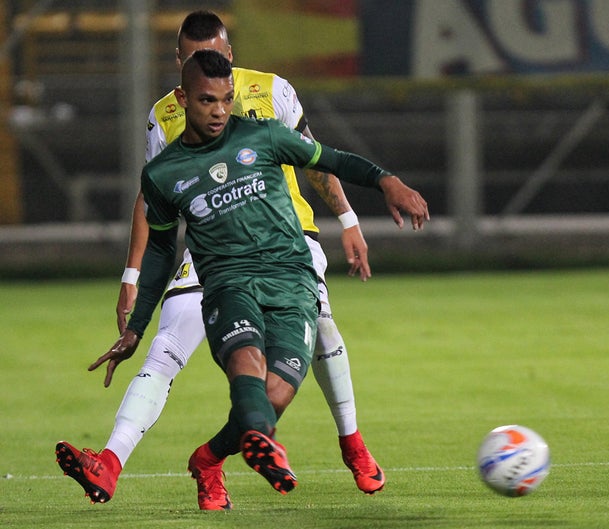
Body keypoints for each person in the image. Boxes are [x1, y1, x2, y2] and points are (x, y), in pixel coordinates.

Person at [55, 11, 427, 509]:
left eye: (220, 80)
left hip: (289, 244)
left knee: (316, 337)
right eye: (195, 64)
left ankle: (347, 442)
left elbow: (321, 159)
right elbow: (154, 208)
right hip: (217, 256)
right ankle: (111, 461)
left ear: (229, 58)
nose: (216, 105)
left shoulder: (269, 99)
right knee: (170, 346)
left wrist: (350, 217)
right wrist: (133, 279)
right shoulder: (163, 120)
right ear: (182, 72)